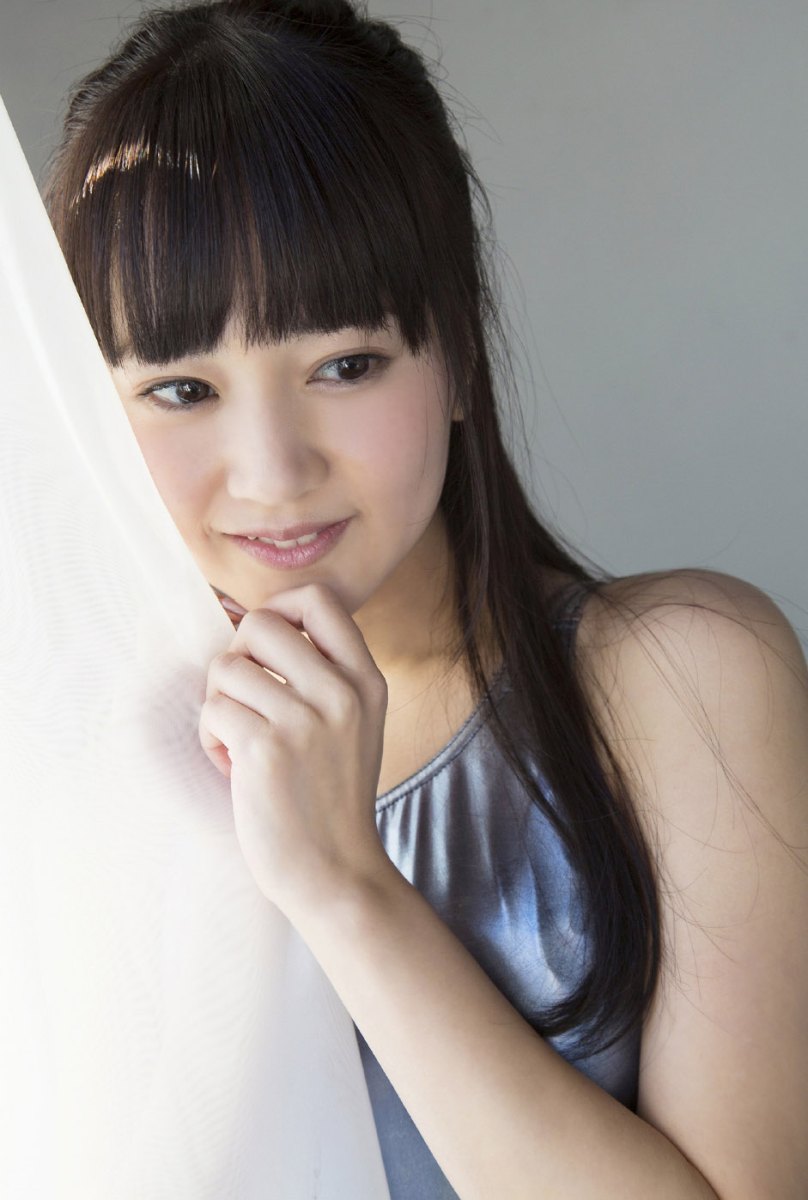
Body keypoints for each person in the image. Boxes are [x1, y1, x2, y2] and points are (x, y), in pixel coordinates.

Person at [42, 1, 807, 1196]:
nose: (271, 473)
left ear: (456, 350)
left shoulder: (682, 679)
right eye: (182, 389)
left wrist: (344, 885)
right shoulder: (87, 779)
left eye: (344, 365)